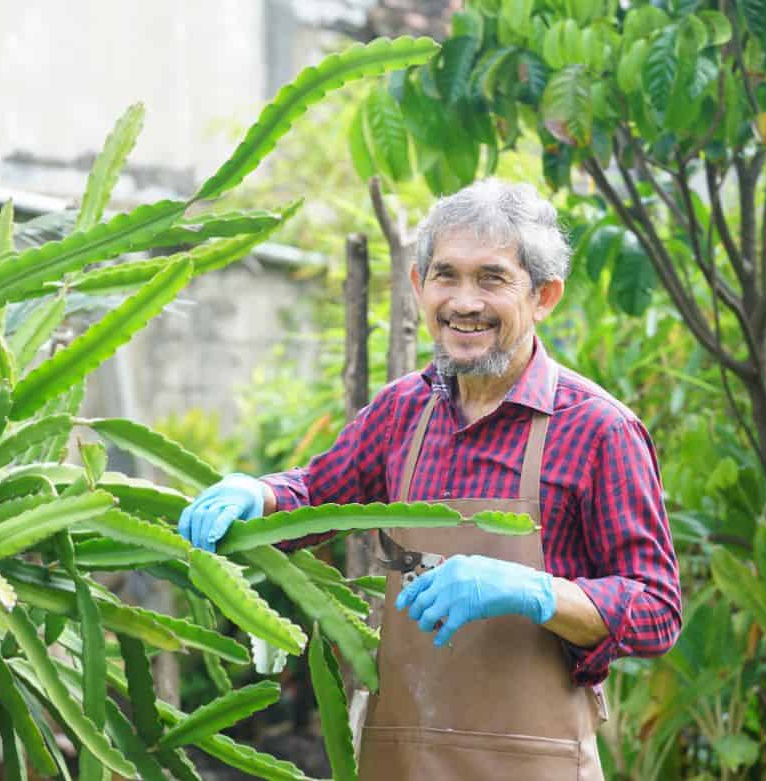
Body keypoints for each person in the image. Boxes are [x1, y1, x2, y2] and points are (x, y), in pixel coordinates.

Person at [178, 179, 682, 780]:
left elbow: (656, 609)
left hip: (533, 761)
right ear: (419, 287)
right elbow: (315, 496)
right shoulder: (401, 412)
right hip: (402, 757)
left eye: (492, 279)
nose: (463, 302)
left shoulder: (598, 429)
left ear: (544, 295)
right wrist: (256, 494)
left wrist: (536, 591)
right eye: (446, 276)